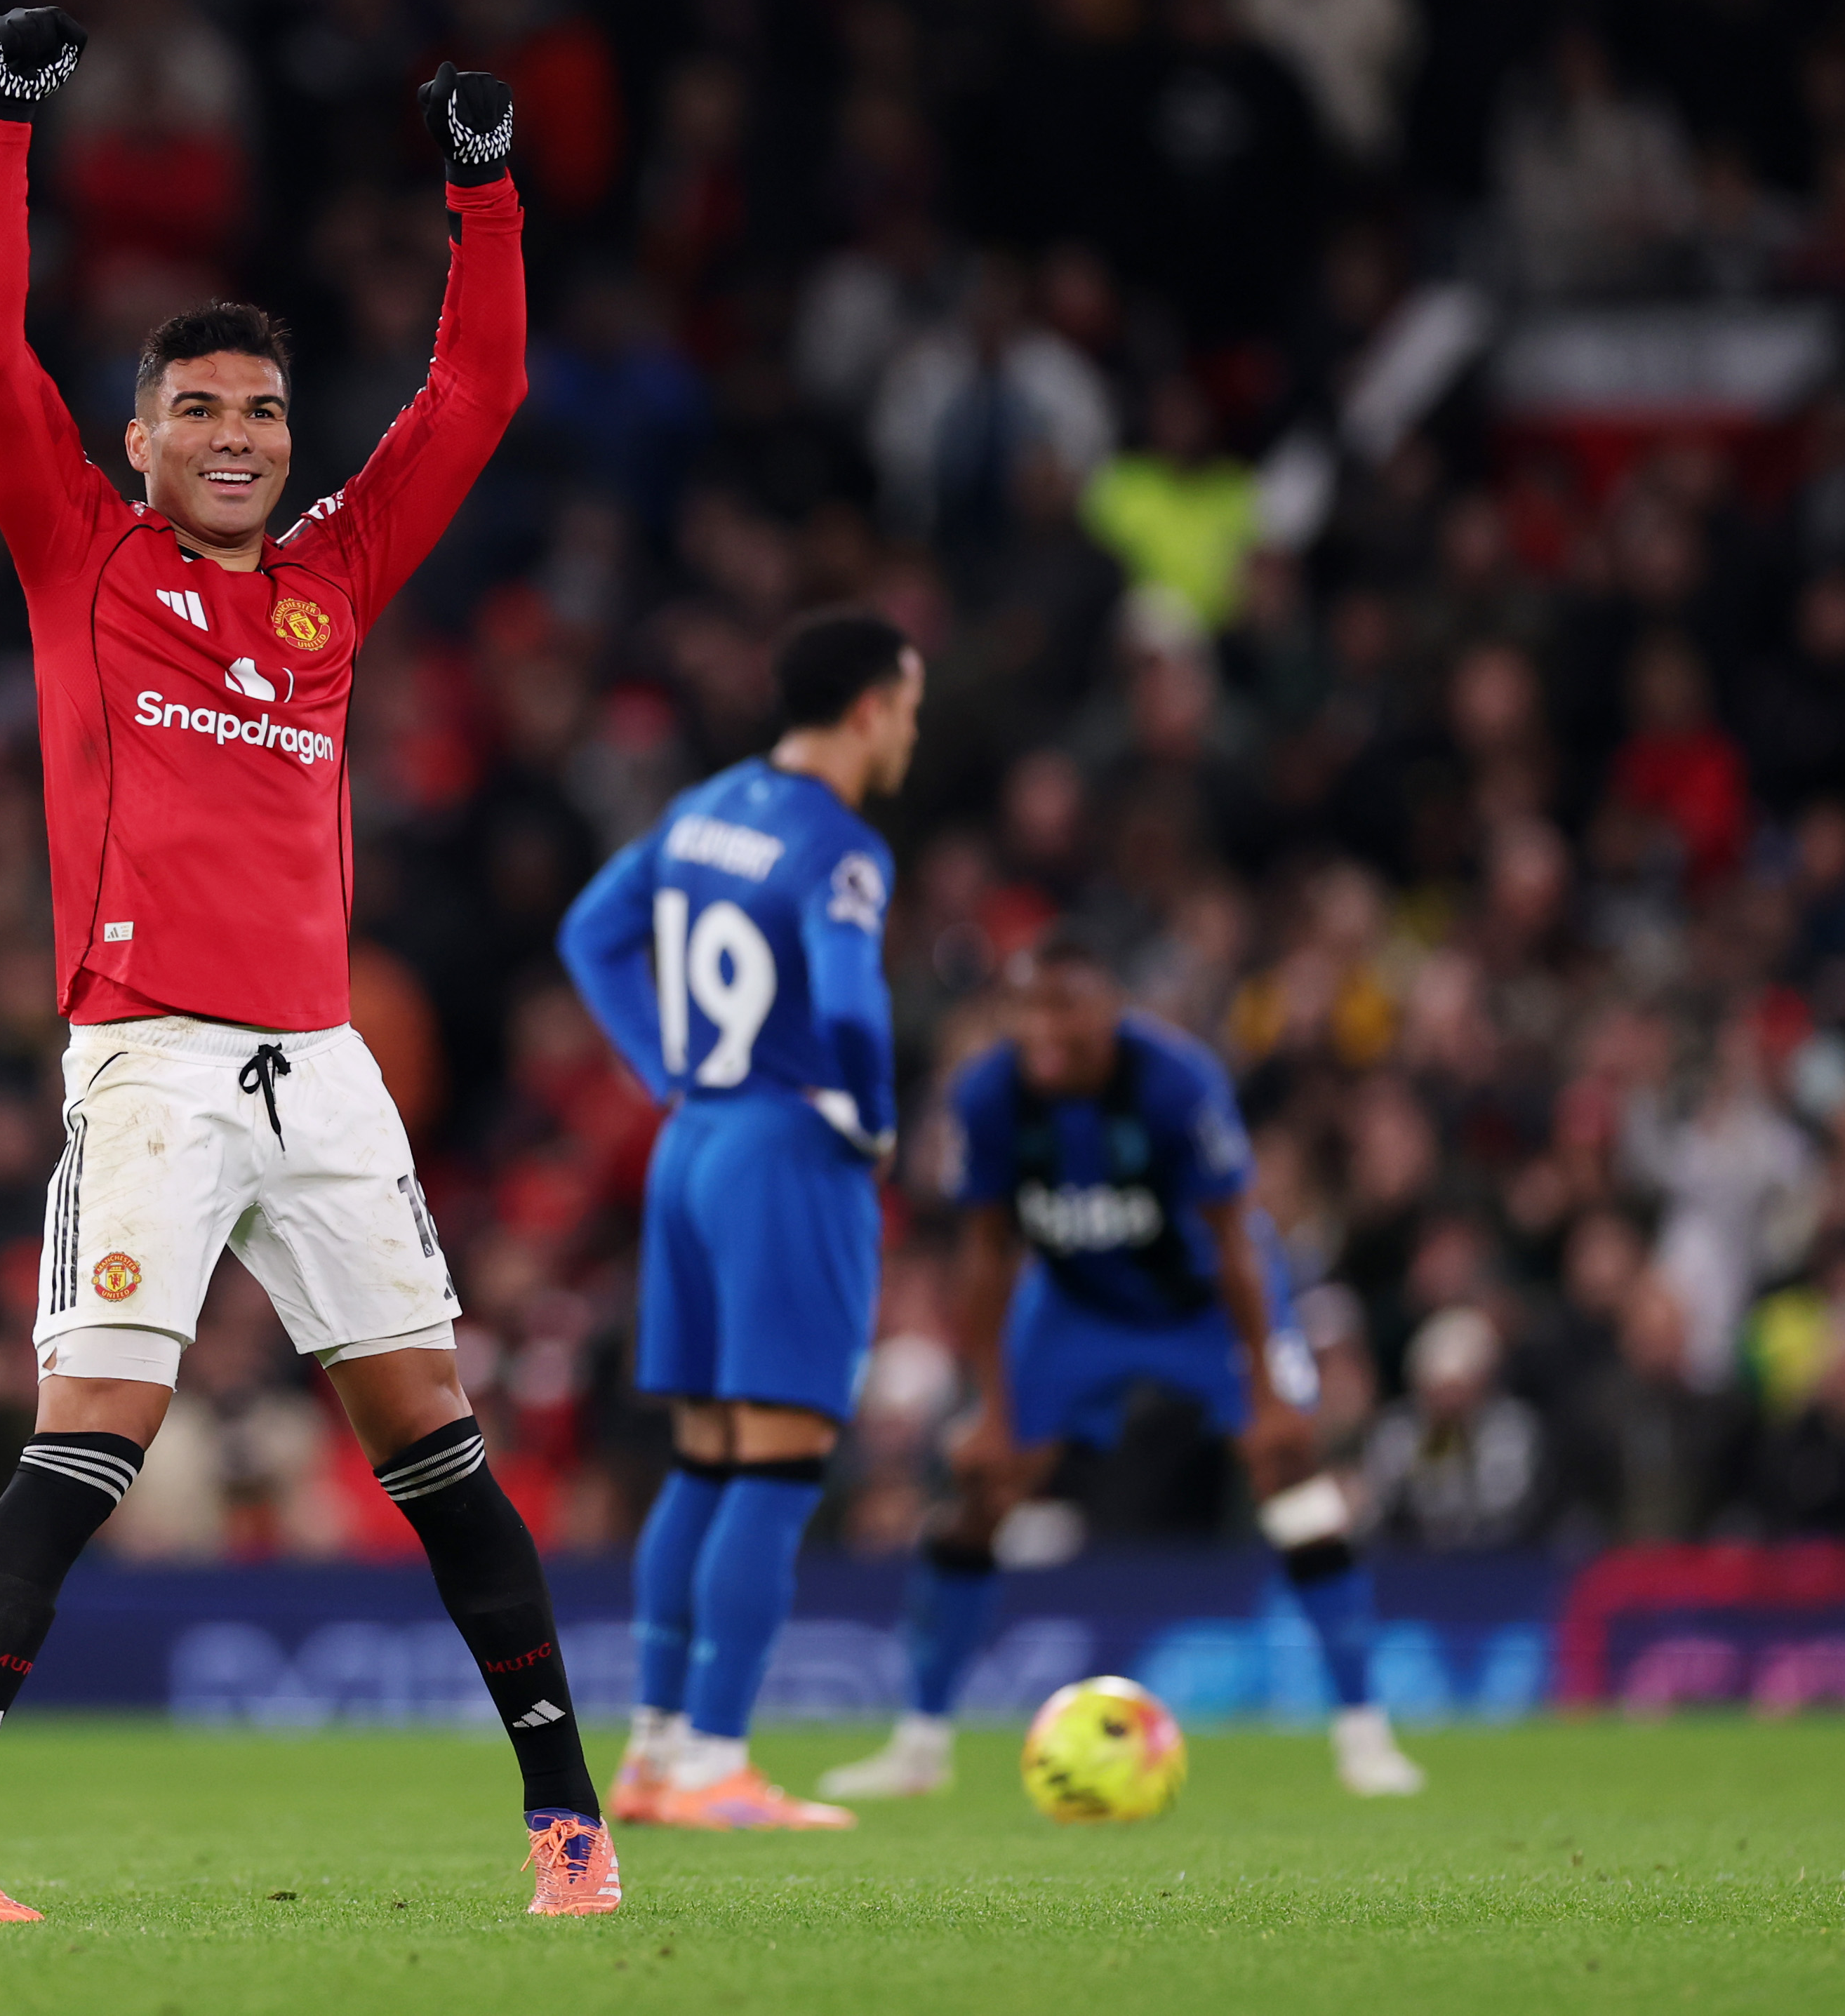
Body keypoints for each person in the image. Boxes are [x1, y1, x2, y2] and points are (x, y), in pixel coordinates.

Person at [0, 8, 619, 1926]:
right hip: (155, 1063)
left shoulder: (330, 586)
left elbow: (477, 394)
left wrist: (487, 191)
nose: (237, 436)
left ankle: (567, 1822)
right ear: (138, 435)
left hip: (321, 1067)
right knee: (96, 1432)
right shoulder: (81, 559)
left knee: (433, 1437)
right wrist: (4, 129)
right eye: (198, 406)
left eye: (262, 411)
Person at [820, 938, 1427, 1801]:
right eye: (1031, 1007)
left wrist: (1265, 1390)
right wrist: (990, 1407)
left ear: (1108, 1008)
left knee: (1289, 1476)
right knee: (985, 1489)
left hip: (1203, 1302)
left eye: (1065, 1006)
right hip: (1071, 1304)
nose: (1047, 1028)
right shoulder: (990, 1093)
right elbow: (987, 1253)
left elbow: (1234, 1240)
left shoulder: (1173, 1083)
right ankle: (916, 1745)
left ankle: (1365, 1736)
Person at [556, 610, 922, 1829]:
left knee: (707, 1459)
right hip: (784, 1151)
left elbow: (590, 932)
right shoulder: (842, 846)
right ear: (871, 706)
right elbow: (857, 1007)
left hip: (693, 1144)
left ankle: (658, 1752)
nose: (911, 730)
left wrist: (665, 1067)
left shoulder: (706, 805)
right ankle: (716, 1757)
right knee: (777, 1465)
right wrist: (870, 1115)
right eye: (909, 706)